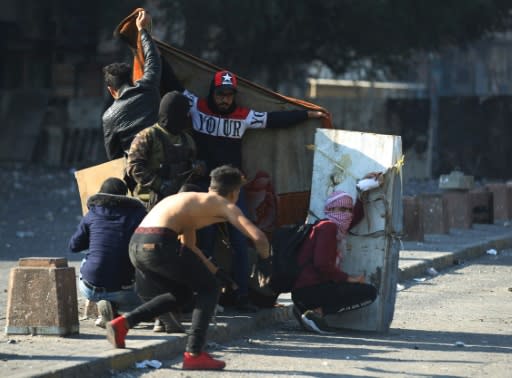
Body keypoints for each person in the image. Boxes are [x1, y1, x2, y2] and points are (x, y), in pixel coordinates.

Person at [163, 68, 328, 310]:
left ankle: (241, 296)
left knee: (240, 242)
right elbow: (172, 81)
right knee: (204, 242)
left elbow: (274, 120)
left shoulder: (243, 115)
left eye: (229, 94)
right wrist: (148, 42)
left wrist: (308, 114)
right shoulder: (196, 106)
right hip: (205, 189)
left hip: (231, 191)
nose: (224, 99)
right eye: (220, 94)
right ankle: (203, 297)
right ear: (212, 92)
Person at [105, 165, 271, 370]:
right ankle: (194, 353)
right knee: (209, 289)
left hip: (137, 246)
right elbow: (259, 238)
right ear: (235, 192)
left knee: (182, 294)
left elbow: (189, 246)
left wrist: (216, 272)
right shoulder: (225, 204)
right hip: (159, 243)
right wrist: (265, 264)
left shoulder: (192, 201)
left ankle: (122, 324)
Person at [291, 189, 379, 334]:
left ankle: (306, 311)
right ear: (330, 209)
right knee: (369, 293)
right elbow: (322, 264)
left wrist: (362, 194)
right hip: (309, 290)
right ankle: (315, 313)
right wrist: (349, 278)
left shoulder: (335, 229)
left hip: (306, 291)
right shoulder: (328, 228)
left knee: (356, 289)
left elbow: (355, 217)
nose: (346, 214)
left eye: (349, 210)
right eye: (342, 209)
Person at [68, 177, 147, 328]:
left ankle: (109, 308)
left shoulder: (91, 215)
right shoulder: (137, 215)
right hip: (124, 292)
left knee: (87, 259)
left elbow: (73, 246)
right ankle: (117, 309)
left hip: (90, 289)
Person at [126, 90, 206, 211]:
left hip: (179, 201)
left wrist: (197, 167)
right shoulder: (147, 136)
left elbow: (191, 165)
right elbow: (134, 168)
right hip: (150, 202)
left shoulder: (188, 140)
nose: (187, 117)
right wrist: (160, 185)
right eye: (183, 114)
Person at [102, 10, 161, 160]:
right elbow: (152, 58)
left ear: (111, 90)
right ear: (131, 79)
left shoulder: (109, 116)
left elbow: (114, 158)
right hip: (163, 163)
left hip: (136, 172)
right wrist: (142, 31)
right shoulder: (148, 86)